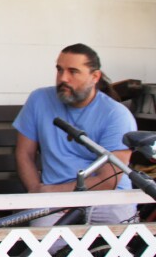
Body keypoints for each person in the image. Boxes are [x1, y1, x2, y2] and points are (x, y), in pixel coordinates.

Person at [14, 43, 137, 227]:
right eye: (59, 70)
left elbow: (109, 179)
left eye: (73, 71)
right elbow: (24, 153)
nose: (63, 78)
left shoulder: (115, 114)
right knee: (46, 246)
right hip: (53, 200)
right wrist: (35, 191)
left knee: (122, 248)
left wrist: (58, 193)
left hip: (108, 198)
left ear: (95, 77)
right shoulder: (39, 100)